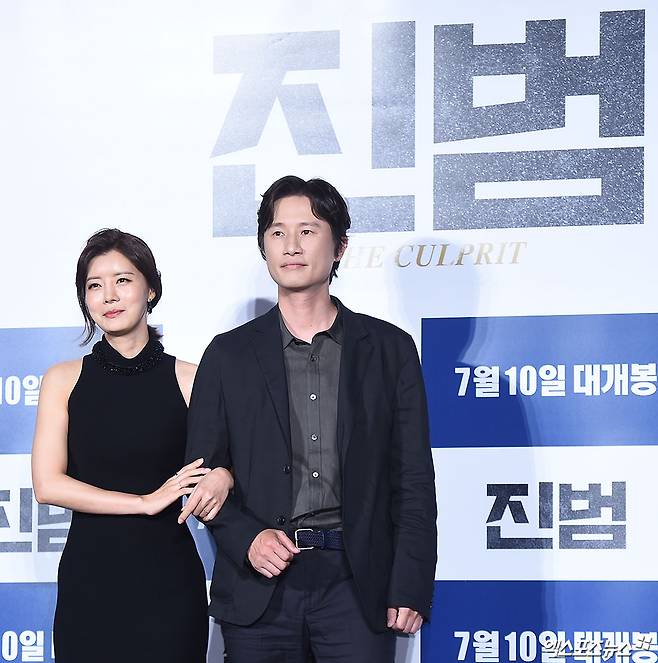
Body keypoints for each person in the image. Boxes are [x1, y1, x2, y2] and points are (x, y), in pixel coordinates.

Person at [182, 176, 437, 662]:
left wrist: (410, 581)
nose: (291, 246)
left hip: (356, 584)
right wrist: (247, 539)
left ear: (339, 246)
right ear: (264, 246)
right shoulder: (228, 355)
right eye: (277, 232)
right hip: (260, 582)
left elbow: (413, 479)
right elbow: (200, 474)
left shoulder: (390, 350)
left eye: (308, 230)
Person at [31, 229, 233, 663]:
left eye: (122, 280)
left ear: (151, 289)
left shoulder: (191, 378)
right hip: (90, 580)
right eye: (95, 285)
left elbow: (230, 465)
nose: (109, 295)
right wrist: (143, 502)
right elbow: (47, 485)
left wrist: (223, 476)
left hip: (169, 580)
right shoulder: (62, 380)